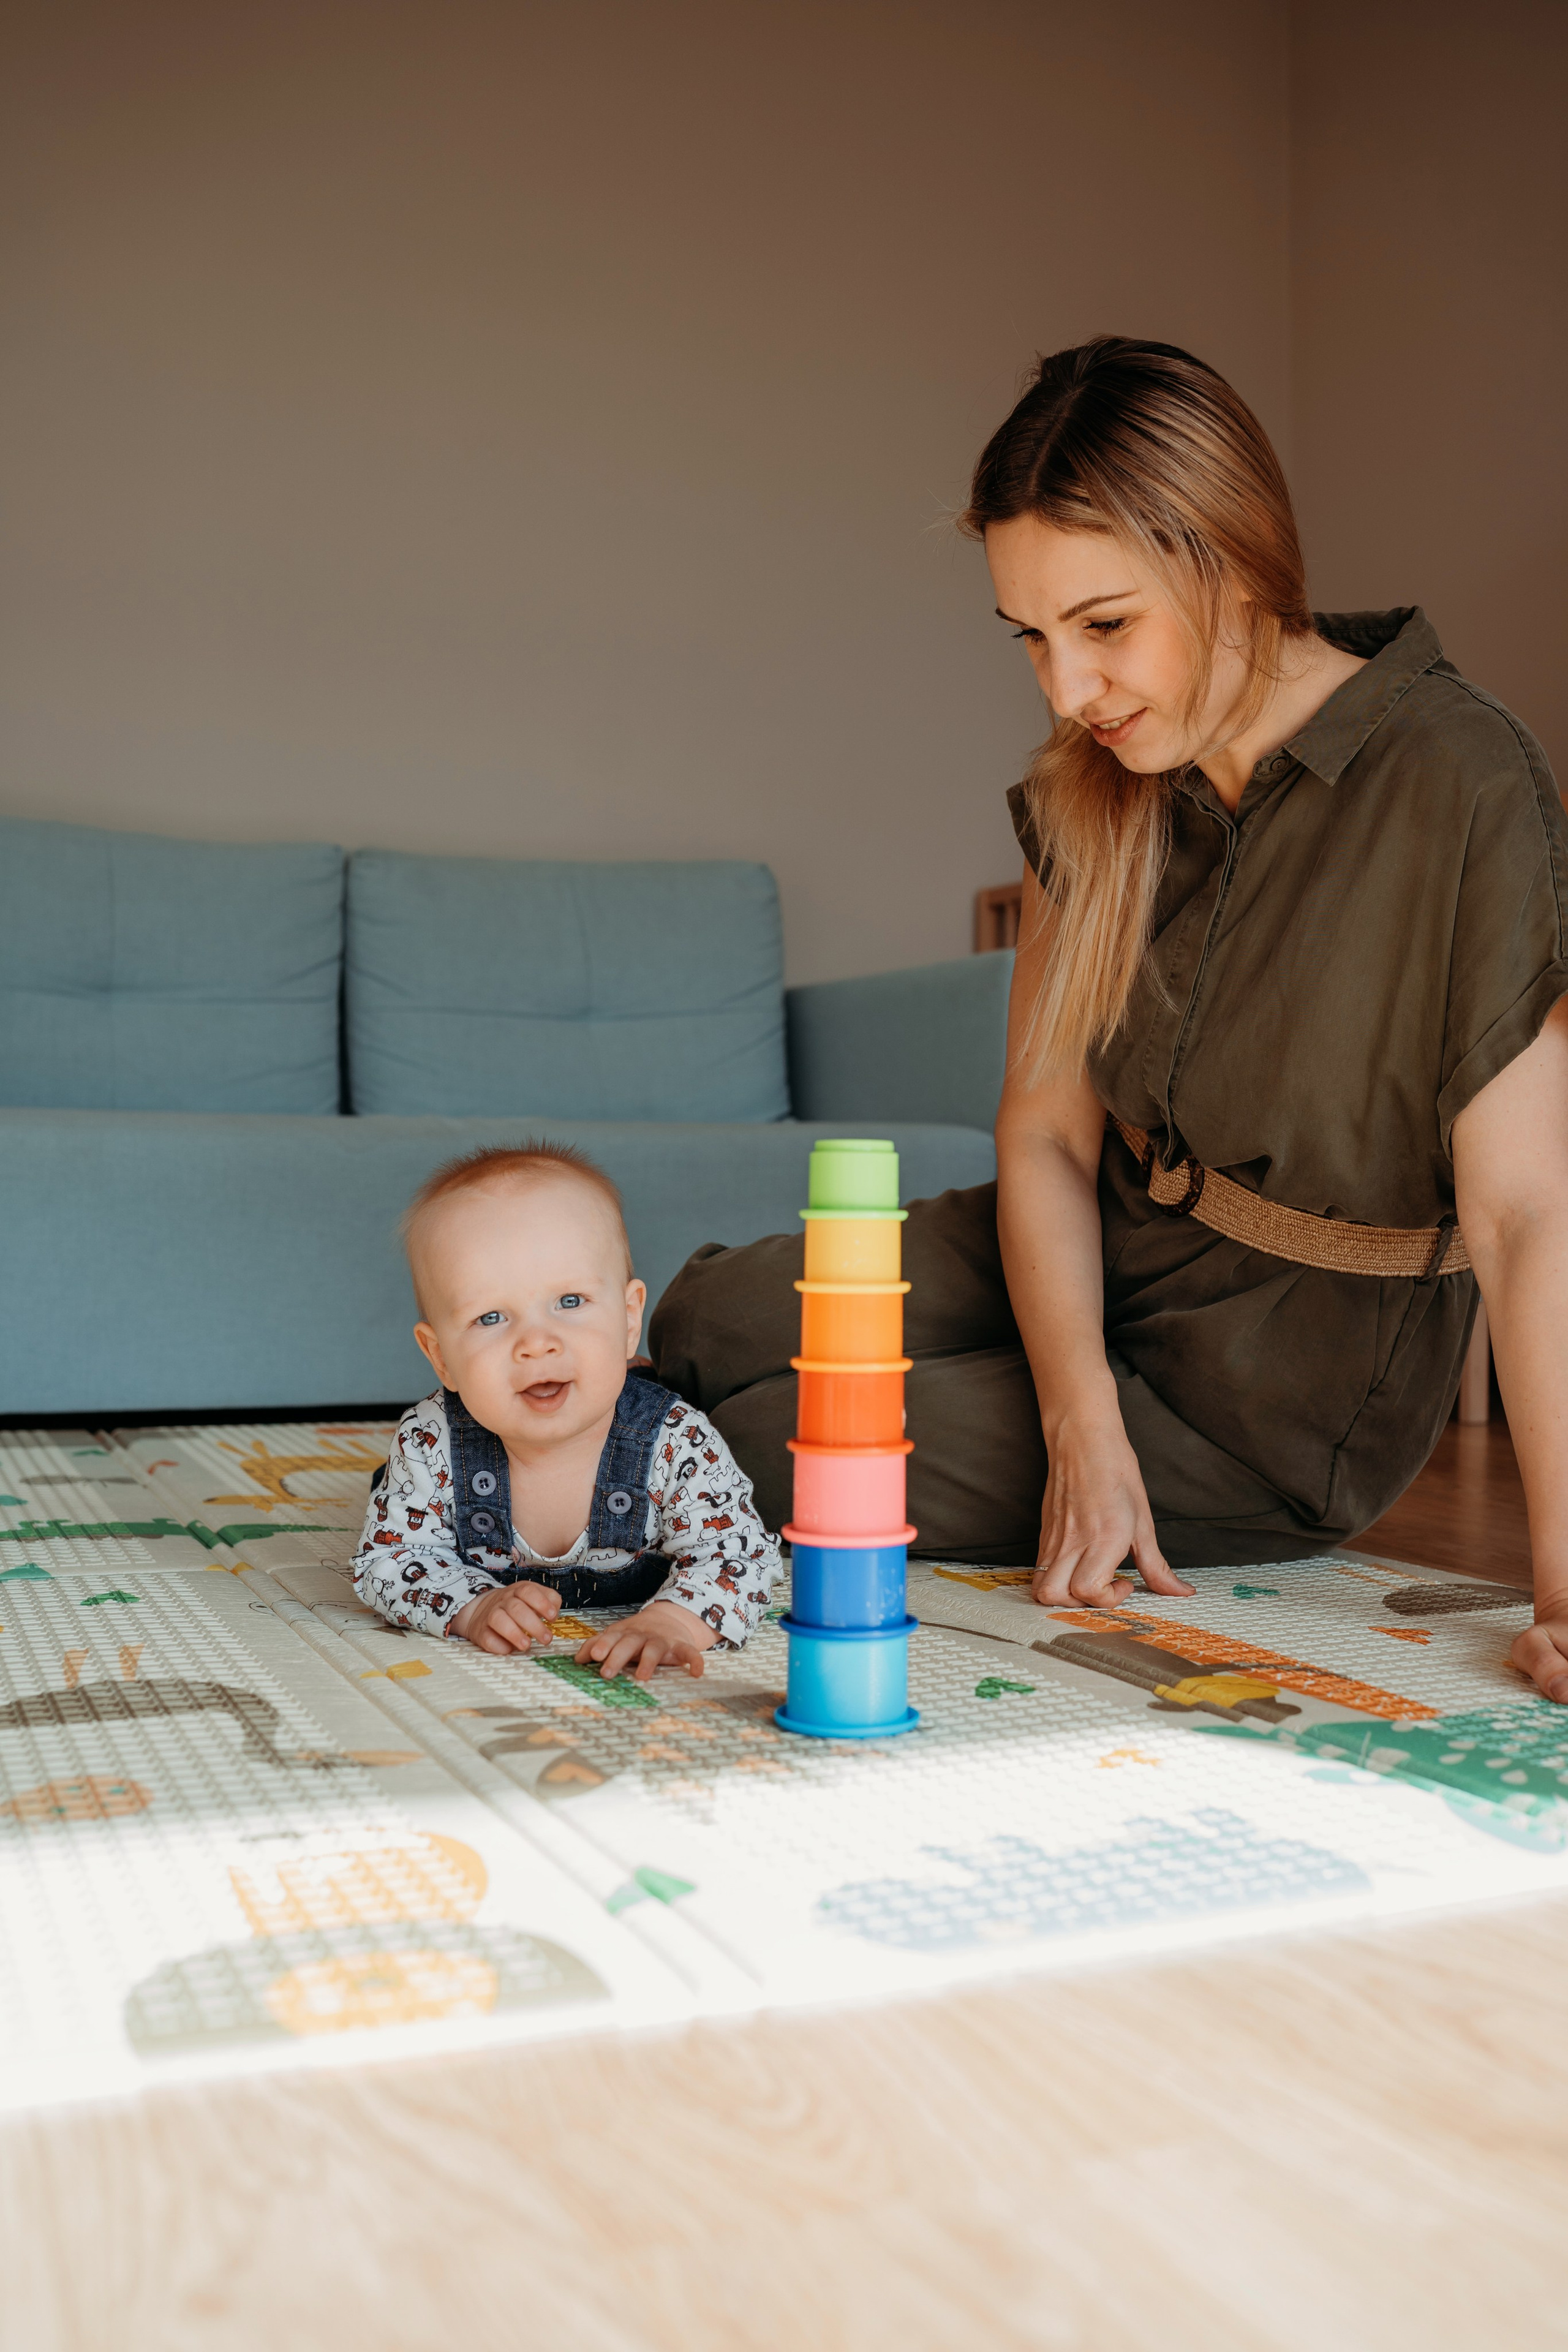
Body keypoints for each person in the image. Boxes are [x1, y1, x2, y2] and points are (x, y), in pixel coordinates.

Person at [650, 336, 1568, 1706]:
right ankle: (501, 1474)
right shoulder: (1095, 789)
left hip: (1273, 1383)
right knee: (706, 1314)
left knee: (770, 1442)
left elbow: (1523, 1217)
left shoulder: (1462, 779)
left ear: (1231, 559)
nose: (1065, 692)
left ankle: (584, 1486)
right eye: (1031, 636)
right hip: (1102, 1235)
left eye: (1102, 625)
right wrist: (1076, 1423)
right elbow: (1043, 1144)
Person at [353, 1141, 778, 1680]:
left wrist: (675, 1622)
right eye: (490, 1317)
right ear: (441, 1357)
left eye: (570, 1302)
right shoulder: (430, 1441)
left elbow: (739, 1556)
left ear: (628, 1319)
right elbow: (387, 1561)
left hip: (637, 1420)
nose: (537, 1343)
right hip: (448, 1482)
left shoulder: (675, 1440)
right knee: (398, 1501)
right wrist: (470, 1606)